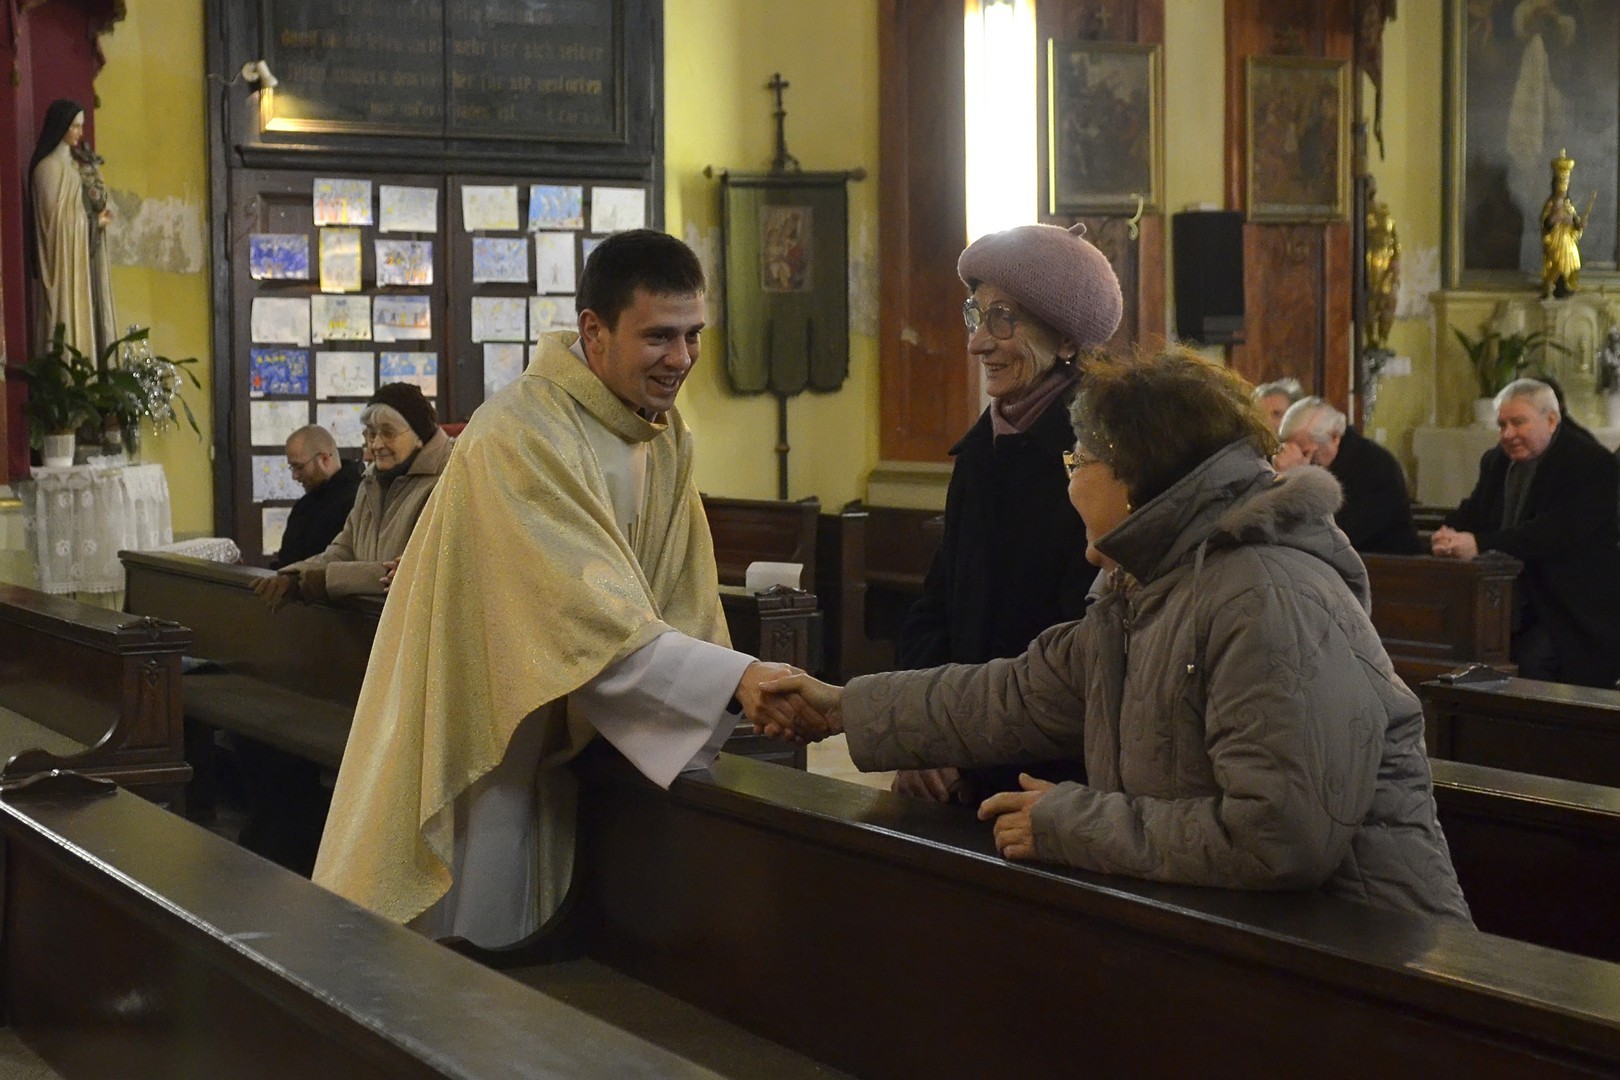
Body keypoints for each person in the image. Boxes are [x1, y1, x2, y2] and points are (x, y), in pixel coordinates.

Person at [759, 350, 1472, 923]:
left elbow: (1280, 837)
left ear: (1133, 476)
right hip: (1263, 948)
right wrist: (842, 707)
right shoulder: (1150, 586)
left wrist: (1070, 823)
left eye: (1078, 462)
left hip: (1371, 967)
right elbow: (1014, 694)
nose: (1068, 482)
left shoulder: (1267, 598)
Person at [312, 230, 801, 948]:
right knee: (484, 933)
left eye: (693, 335)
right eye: (659, 336)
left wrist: (723, 683)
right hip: (498, 732)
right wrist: (735, 680)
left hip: (592, 738)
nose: (681, 358)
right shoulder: (522, 432)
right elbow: (581, 617)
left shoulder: (663, 434)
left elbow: (676, 591)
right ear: (593, 331)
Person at [892, 223, 1119, 806]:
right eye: (976, 315)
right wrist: (922, 735)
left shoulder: (1100, 458)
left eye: (1003, 319)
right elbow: (936, 607)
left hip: (1048, 777)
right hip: (962, 753)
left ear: (1065, 340)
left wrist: (963, 740)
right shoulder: (982, 450)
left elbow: (1083, 642)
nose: (977, 343)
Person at [1431, 378, 1620, 687]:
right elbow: (1475, 510)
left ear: (1551, 420)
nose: (1508, 434)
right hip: (1507, 598)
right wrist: (1447, 533)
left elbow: (1554, 533)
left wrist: (1479, 544)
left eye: (1518, 423)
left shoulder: (1590, 463)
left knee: (1532, 658)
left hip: (1567, 604)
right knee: (1454, 649)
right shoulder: (1497, 460)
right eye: (1502, 425)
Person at [253, 383, 452, 608]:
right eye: (371, 433)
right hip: (368, 620)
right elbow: (343, 549)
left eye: (388, 433)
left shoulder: (445, 483)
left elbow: (409, 570)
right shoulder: (371, 483)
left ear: (419, 436)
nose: (376, 444)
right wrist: (295, 575)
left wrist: (325, 580)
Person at [1275, 396, 1422, 554]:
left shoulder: (1375, 466)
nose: (1301, 460)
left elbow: (1335, 536)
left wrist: (1299, 479)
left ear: (1334, 437)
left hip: (1385, 562)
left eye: (1307, 452)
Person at [28, 98, 116, 359]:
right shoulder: (47, 169)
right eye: (75, 126)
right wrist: (95, 222)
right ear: (61, 126)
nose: (80, 132)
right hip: (63, 270)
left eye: (81, 126)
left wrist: (97, 216)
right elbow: (55, 226)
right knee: (66, 323)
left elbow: (76, 211)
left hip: (81, 264)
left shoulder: (74, 166)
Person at [269, 424, 363, 569]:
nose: (295, 476)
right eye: (292, 467)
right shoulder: (303, 506)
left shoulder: (357, 501)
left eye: (299, 467)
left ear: (324, 459)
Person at [1539, 150, 1583, 299]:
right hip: (1556, 242)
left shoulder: (1568, 204)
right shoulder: (1550, 204)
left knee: (1573, 262)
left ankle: (1567, 286)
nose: (1563, 185)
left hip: (1568, 241)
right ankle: (1554, 287)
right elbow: (1545, 224)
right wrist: (1554, 219)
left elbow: (1576, 222)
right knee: (1557, 263)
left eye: (1566, 181)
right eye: (1560, 181)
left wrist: (1578, 224)